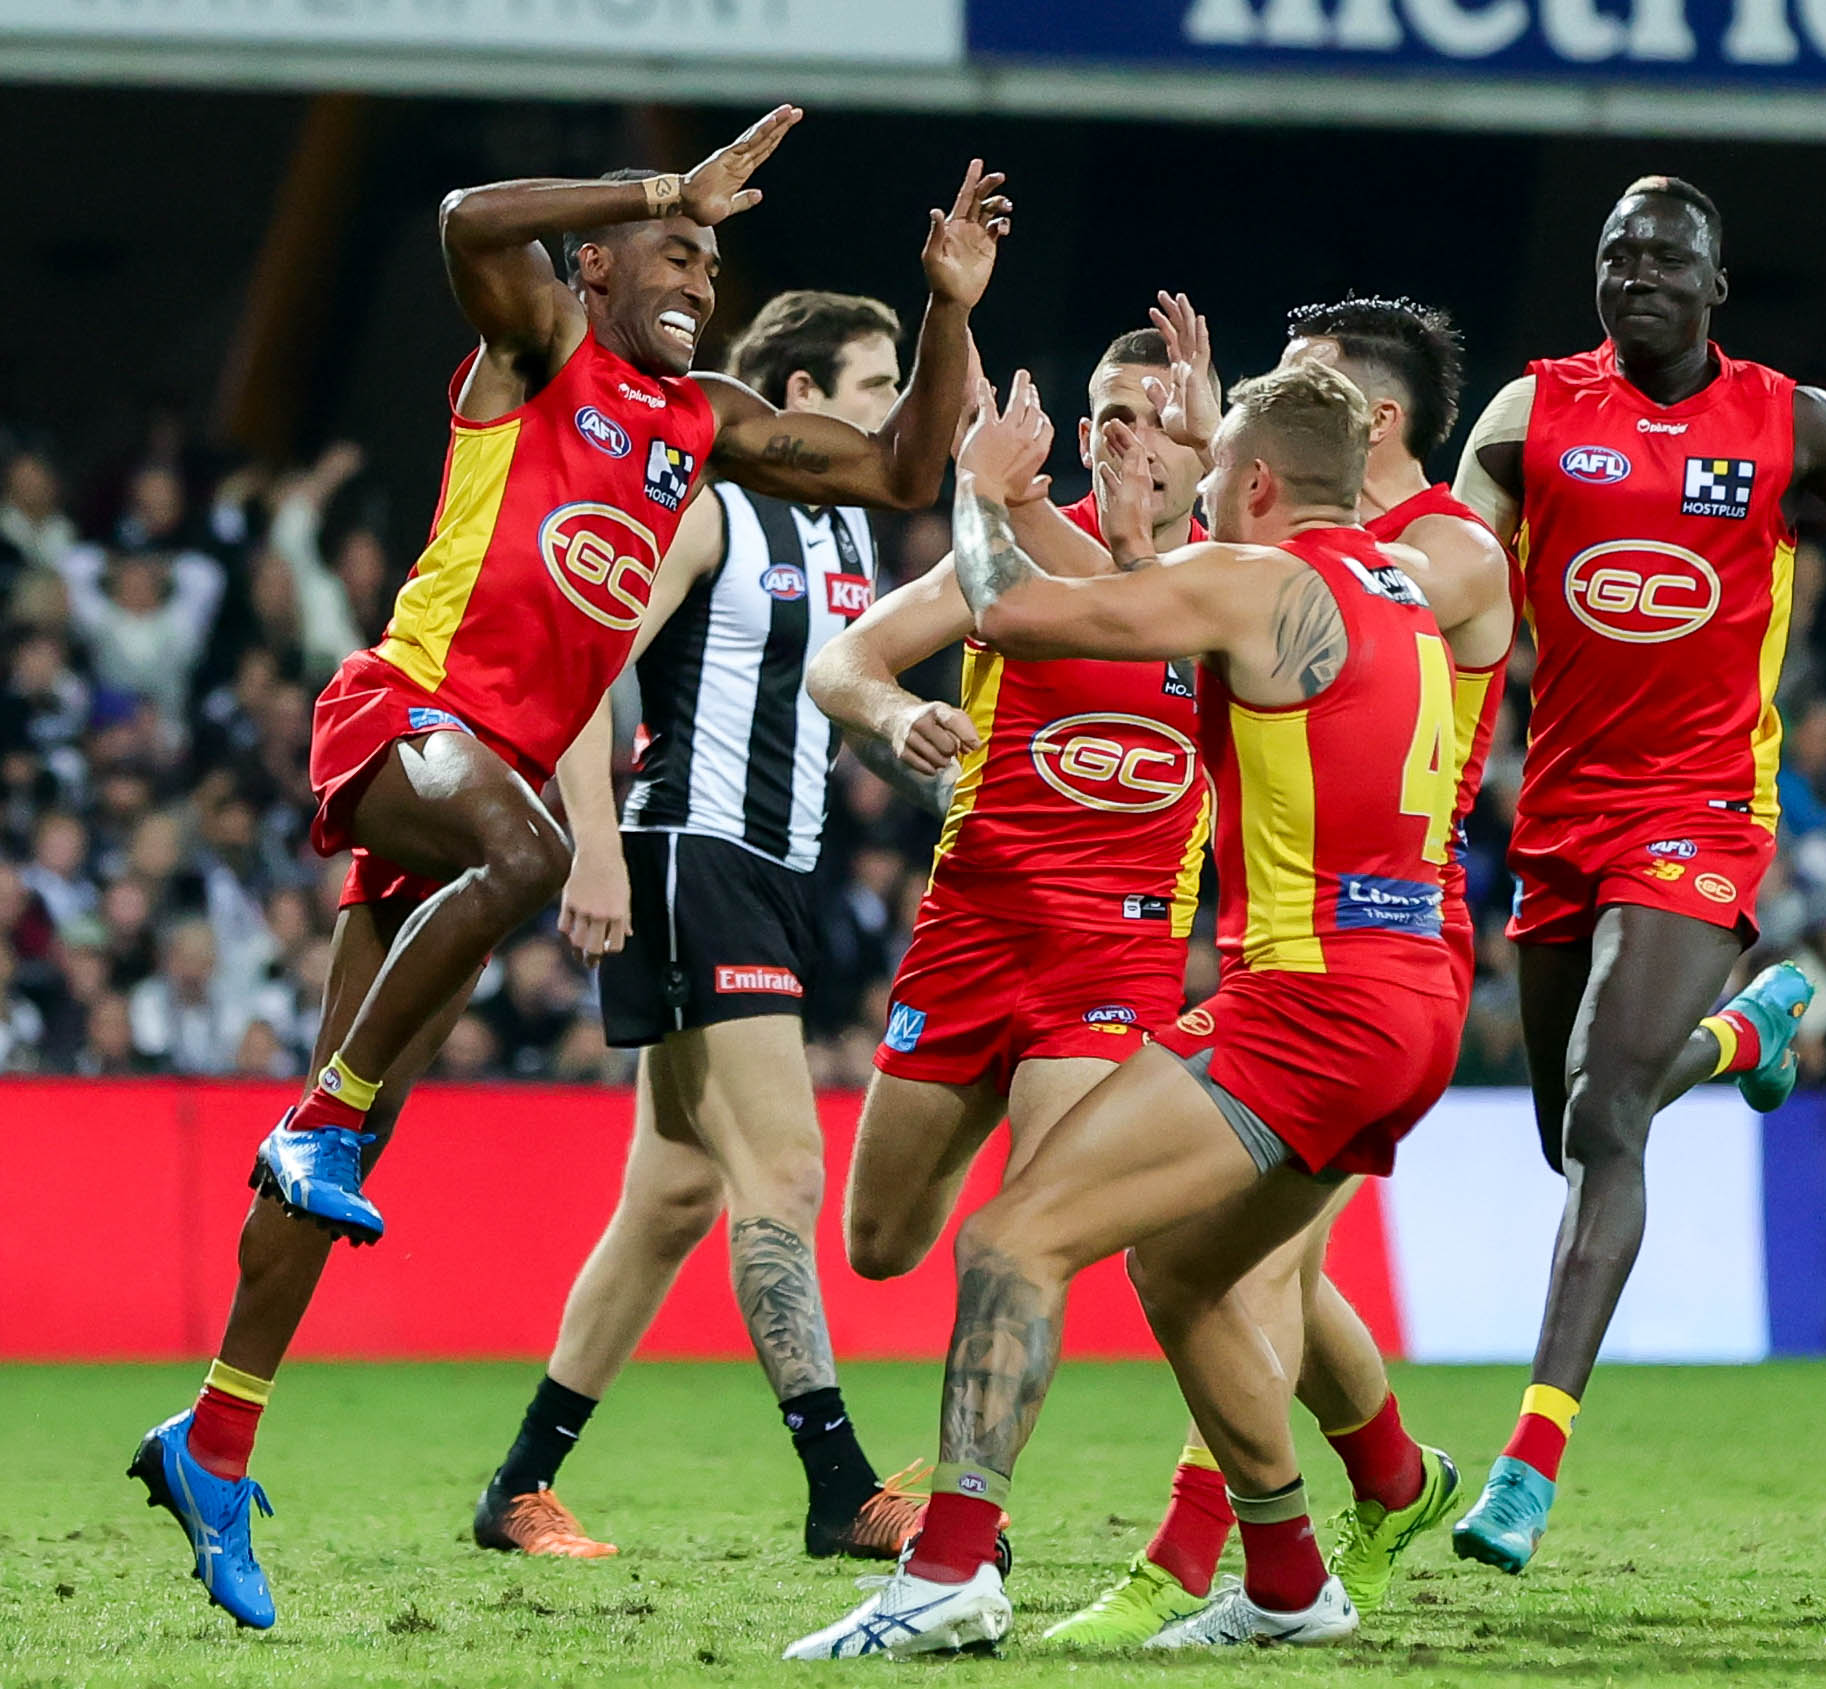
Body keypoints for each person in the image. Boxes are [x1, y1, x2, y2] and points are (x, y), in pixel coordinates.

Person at [128, 107, 1012, 1631]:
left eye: (713, 264)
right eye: (672, 254)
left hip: (486, 792)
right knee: (520, 866)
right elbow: (471, 215)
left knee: (347, 1132)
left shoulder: (706, 421)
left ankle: (214, 1435)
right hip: (408, 722)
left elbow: (907, 462)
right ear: (591, 266)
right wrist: (666, 181)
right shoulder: (536, 349)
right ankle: (325, 1130)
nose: (698, 277)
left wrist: (947, 307)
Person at [787, 358, 1473, 1659]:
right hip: (1413, 996)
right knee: (1183, 1264)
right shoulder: (1399, 587)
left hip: (1307, 998)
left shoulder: (1255, 579)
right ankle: (1287, 1578)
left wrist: (983, 498)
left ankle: (945, 1574)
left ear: (1259, 487)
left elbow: (1021, 616)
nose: (1201, 480)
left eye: (1217, 467)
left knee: (1013, 1240)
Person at [1445, 175, 1826, 1575]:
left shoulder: (1792, 424)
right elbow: (1447, 566)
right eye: (1615, 253)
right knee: (1572, 1130)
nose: (1636, 272)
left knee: (1609, 1113)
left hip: (1700, 808)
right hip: (1557, 818)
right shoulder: (1528, 414)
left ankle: (1528, 1463)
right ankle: (1748, 1028)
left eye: (1667, 255)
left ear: (1716, 285)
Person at [1047, 293, 1518, 1644]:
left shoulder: (1444, 552)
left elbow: (1290, 597)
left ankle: (1199, 1561)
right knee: (1271, 1268)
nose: (1263, 395)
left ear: (1368, 418)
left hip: (1385, 939)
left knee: (1238, 1267)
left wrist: (1211, 492)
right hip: (1291, 928)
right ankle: (1389, 1481)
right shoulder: (1311, 543)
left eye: (1293, 385)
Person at [473, 292, 947, 1562]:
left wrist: (929, 766)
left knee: (672, 1193)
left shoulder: (848, 527)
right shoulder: (705, 507)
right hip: (690, 855)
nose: (888, 412)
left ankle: (517, 1488)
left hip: (776, 871)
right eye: (870, 384)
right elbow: (584, 665)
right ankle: (839, 1483)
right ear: (795, 397)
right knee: (783, 1176)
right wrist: (594, 849)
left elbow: (841, 707)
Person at [804, 321, 1212, 1311]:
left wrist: (1011, 501)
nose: (1134, 443)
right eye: (1113, 419)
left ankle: (966, 1475)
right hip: (971, 926)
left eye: (1159, 421)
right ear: (1080, 437)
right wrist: (897, 714)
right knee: (877, 1244)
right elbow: (840, 662)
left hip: (1113, 951)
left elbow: (1140, 602)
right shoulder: (1003, 558)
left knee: (1024, 1238)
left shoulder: (1237, 579)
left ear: (1204, 442)